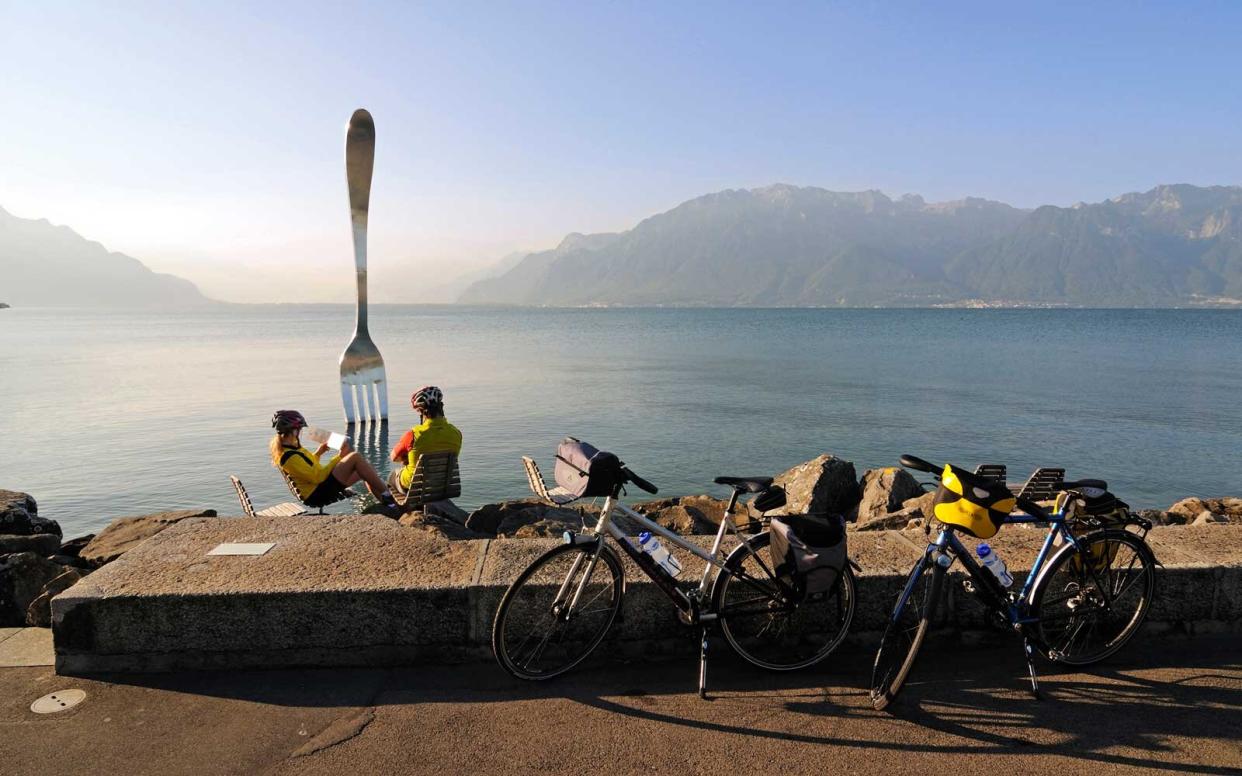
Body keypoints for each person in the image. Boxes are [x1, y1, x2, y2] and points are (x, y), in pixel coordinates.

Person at [270, 410, 402, 517]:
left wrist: (319, 453)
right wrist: (339, 457)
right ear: (292, 430)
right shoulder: (289, 457)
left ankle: (388, 504)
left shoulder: (292, 448)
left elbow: (309, 468)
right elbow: (318, 476)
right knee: (355, 457)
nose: (300, 431)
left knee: (365, 470)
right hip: (317, 493)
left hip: (319, 487)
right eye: (299, 429)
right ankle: (388, 496)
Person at [390, 386, 463, 494]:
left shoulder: (413, 435)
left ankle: (393, 507)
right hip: (442, 484)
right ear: (441, 407)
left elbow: (394, 458)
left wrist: (407, 458)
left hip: (415, 486)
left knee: (392, 476)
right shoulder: (456, 433)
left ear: (421, 412)